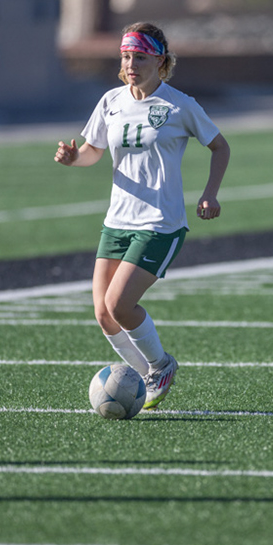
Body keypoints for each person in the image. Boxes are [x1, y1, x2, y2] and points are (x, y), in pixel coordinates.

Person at [53, 22, 230, 410]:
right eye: (126, 56)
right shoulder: (111, 101)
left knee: (120, 305)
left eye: (139, 57)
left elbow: (220, 147)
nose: (130, 64)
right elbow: (92, 151)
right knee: (103, 313)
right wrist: (73, 158)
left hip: (159, 224)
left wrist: (210, 193)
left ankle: (161, 365)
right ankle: (144, 377)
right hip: (117, 222)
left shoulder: (179, 105)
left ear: (160, 60)